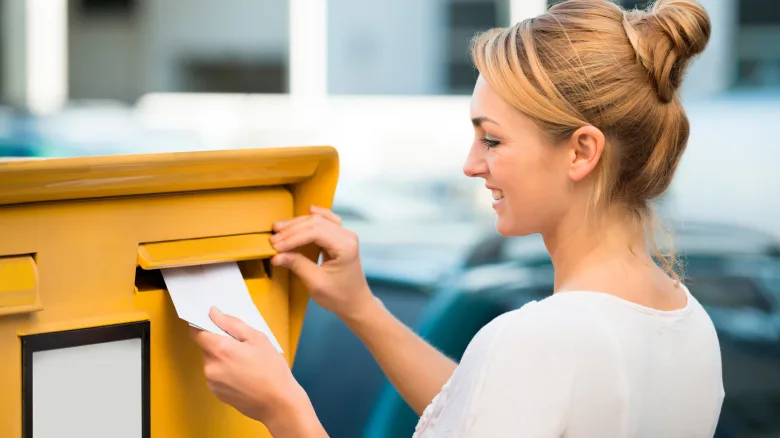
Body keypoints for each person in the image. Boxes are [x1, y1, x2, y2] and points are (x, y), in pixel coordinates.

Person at [189, 0, 724, 436]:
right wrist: (361, 308)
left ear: (581, 152)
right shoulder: (693, 327)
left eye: (492, 139)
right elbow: (484, 410)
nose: (471, 165)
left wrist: (283, 409)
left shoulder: (535, 339)